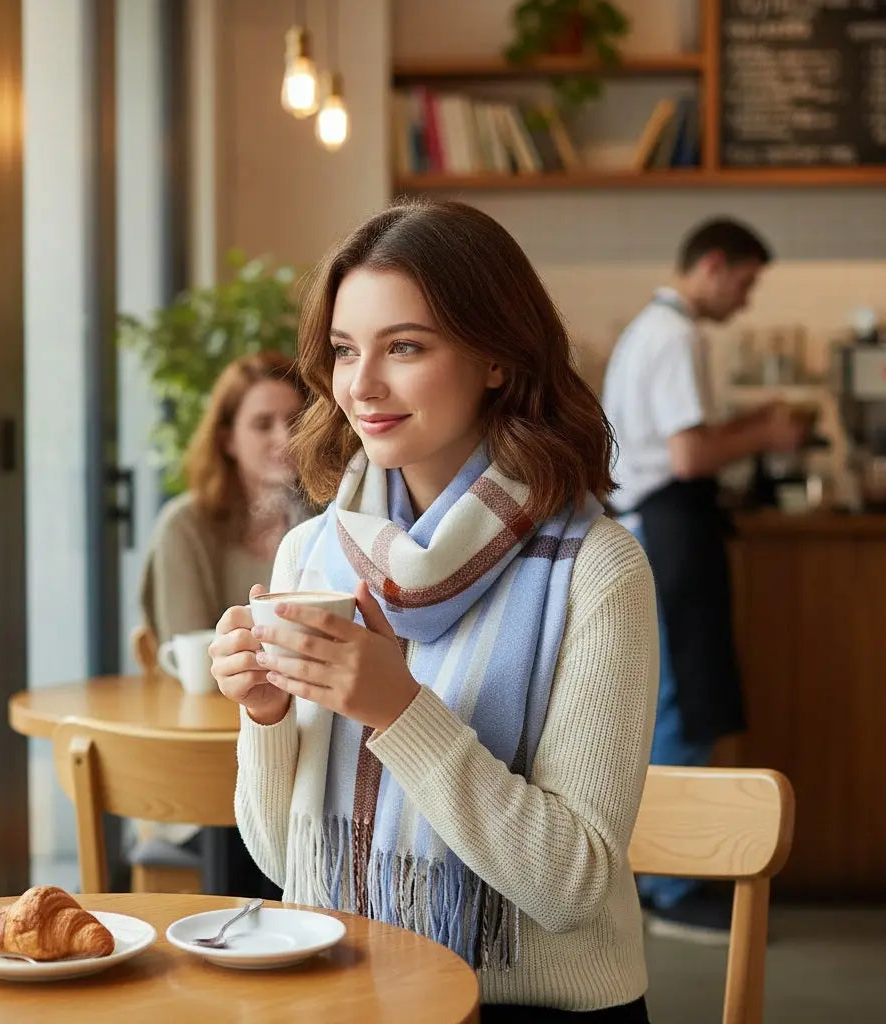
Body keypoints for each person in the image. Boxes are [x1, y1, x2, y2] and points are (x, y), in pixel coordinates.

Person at [211, 199, 659, 1022]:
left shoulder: (597, 570)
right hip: (351, 987)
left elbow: (571, 889)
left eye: (405, 347)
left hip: (530, 1007)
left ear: (496, 357)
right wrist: (266, 716)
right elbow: (285, 863)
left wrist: (400, 710)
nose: (363, 385)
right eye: (346, 351)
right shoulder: (312, 556)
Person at [601, 218, 808, 944]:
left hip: (660, 528)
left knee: (672, 698)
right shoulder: (674, 333)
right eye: (746, 283)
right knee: (680, 702)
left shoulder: (656, 330)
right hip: (666, 531)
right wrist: (769, 434)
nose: (746, 302)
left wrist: (744, 422)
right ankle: (670, 885)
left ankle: (664, 876)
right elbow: (688, 456)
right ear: (714, 266)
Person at [138, 349, 308, 899]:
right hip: (209, 775)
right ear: (228, 439)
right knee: (268, 838)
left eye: (296, 420)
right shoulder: (187, 526)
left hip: (305, 756)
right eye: (262, 423)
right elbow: (195, 658)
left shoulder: (331, 523)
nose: (283, 435)